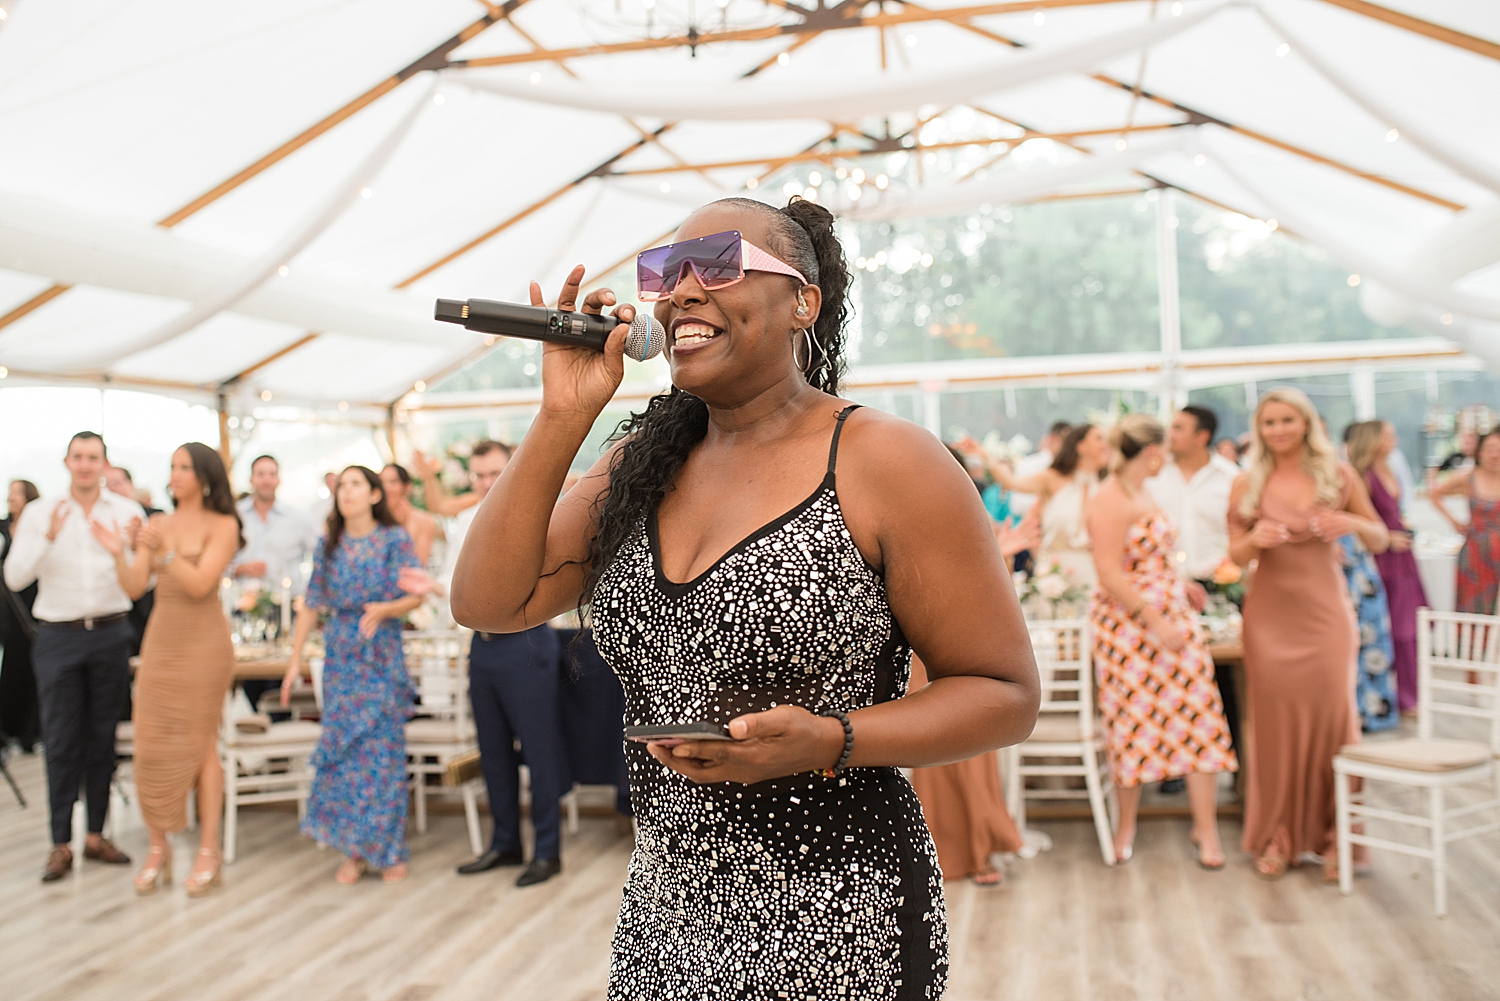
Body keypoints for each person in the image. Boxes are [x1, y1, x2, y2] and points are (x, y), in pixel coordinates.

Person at [448, 196, 1039, 998]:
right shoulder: (636, 466)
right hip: (667, 910)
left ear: (804, 302)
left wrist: (829, 738)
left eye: (719, 264)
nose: (681, 290)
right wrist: (562, 416)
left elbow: (1001, 692)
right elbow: (488, 600)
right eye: (666, 271)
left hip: (839, 914)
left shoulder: (886, 462)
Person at [1228, 389, 1388, 880]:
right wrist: (1254, 541)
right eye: (1269, 421)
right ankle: (1278, 836)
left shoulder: (1338, 475)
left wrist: (1351, 522)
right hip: (1269, 620)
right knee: (1274, 730)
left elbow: (1381, 537)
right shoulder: (1246, 482)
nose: (1278, 429)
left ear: (1306, 423)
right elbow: (1234, 557)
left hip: (1326, 620)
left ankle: (1340, 838)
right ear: (1260, 429)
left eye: (1287, 420)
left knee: (1337, 725)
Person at [401, 441, 568, 886]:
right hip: (482, 646)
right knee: (493, 752)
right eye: (478, 475)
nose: (486, 483)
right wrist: (433, 587)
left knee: (539, 750)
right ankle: (505, 844)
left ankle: (548, 852)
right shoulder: (462, 519)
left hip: (527, 644)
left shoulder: (537, 512)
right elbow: (458, 580)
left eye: (495, 472)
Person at [1088, 415, 1237, 868]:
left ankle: (1206, 829)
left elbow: (1154, 557)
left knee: (1200, 717)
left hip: (1173, 616)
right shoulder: (1109, 498)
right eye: (1164, 453)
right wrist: (1154, 619)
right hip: (1130, 628)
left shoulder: (1144, 492)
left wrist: (1180, 582)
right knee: (1131, 721)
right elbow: (1109, 572)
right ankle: (1126, 825)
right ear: (1151, 452)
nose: (1166, 461)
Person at [94, 443, 241, 896]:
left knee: (202, 747)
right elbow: (137, 585)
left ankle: (209, 851)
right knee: (151, 743)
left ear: (205, 476)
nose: (175, 475)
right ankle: (159, 847)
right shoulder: (157, 522)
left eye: (185, 468)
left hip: (204, 644)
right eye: (173, 467)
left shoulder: (224, 524)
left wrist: (167, 553)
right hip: (160, 643)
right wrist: (120, 551)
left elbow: (201, 586)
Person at [4, 432, 142, 881]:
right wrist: (46, 538)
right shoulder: (42, 513)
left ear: (104, 464)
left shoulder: (127, 513)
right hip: (58, 636)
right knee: (61, 740)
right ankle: (60, 842)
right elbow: (14, 576)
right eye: (78, 457)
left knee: (103, 738)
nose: (85, 465)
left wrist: (123, 550)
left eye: (94, 458)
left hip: (110, 632)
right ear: (66, 462)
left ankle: (97, 834)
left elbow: (145, 582)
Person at [281, 466, 422, 884]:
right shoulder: (330, 543)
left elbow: (415, 594)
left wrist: (386, 609)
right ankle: (354, 851)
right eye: (342, 486)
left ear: (375, 495)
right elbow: (311, 602)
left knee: (383, 757)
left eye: (355, 485)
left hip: (381, 653)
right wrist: (294, 660)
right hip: (341, 657)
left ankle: (390, 849)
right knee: (345, 757)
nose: (347, 492)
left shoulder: (394, 539)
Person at [1147, 405, 1244, 782]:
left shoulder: (1231, 478)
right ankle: (1172, 771)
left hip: (1218, 587)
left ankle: (1233, 764)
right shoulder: (1154, 477)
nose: (1170, 434)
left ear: (1202, 435)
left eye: (1179, 428)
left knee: (1224, 678)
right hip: (1165, 591)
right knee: (1169, 678)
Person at [1345, 421, 1428, 714]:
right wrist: (1387, 537)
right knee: (1395, 626)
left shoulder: (1389, 468)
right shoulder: (1362, 476)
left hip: (1402, 554)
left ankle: (1414, 691)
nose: (1394, 439)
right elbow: (1359, 519)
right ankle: (1401, 695)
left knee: (1413, 624)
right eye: (1388, 435)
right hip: (1383, 557)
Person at [231, 454, 318, 710]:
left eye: (271, 474)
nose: (266, 479)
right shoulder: (235, 516)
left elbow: (322, 555)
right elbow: (220, 560)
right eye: (261, 474)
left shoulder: (297, 518)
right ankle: (258, 720)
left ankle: (276, 722)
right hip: (245, 607)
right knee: (249, 674)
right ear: (251, 479)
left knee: (278, 673)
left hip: (286, 607)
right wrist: (241, 568)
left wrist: (306, 591)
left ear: (278, 479)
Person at [994, 423, 1110, 588]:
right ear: (1081, 446)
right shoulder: (1052, 480)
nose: (1105, 445)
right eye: (1099, 439)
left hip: (1095, 572)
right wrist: (1043, 564)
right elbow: (1012, 484)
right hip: (1055, 571)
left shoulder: (1106, 487)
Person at [1430, 429, 1500, 617]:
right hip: (1476, 550)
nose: (1495, 454)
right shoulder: (1469, 477)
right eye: (1490, 449)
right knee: (1473, 606)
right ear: (1480, 452)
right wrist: (1454, 522)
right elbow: (1435, 493)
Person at [1, 479, 42, 752]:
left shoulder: (37, 528)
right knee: (10, 667)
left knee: (31, 668)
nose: (11, 498)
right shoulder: (2, 527)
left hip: (31, 605)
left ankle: (31, 733)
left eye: (17, 493)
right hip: (5, 607)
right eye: (10, 493)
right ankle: (6, 731)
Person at [105, 466, 159, 658]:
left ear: (130, 484)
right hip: (113, 607)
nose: (113, 488)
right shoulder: (99, 519)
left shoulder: (154, 516)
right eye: (107, 484)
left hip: (146, 605)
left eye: (117, 482)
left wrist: (138, 545)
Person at [380, 463, 443, 565]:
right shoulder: (373, 520)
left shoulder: (424, 521)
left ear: (407, 487)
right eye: (381, 482)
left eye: (393, 482)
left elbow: (418, 564)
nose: (386, 488)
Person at [409, 449, 483, 519]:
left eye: (493, 474)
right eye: (479, 476)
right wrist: (428, 475)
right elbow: (440, 507)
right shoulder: (478, 499)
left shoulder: (480, 500)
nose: (487, 483)